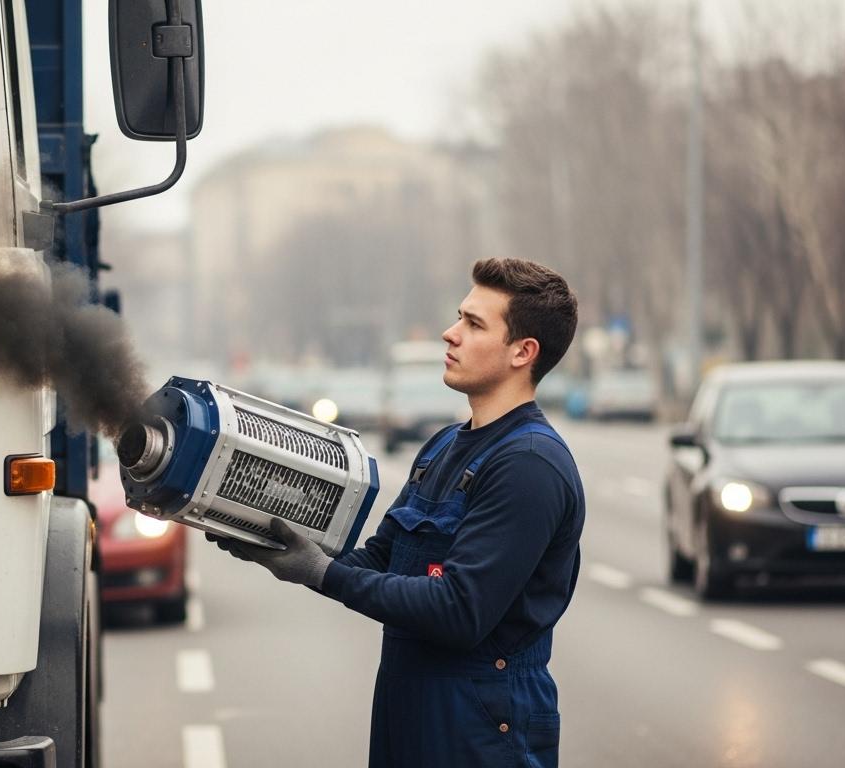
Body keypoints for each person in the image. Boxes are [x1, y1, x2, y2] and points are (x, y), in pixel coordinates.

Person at [213, 257, 584, 768]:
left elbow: (459, 610)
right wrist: (269, 539)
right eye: (459, 316)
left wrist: (322, 574)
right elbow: (382, 558)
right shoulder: (443, 447)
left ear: (523, 351)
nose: (449, 333)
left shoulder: (528, 466)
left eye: (474, 324)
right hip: (411, 716)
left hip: (482, 732)